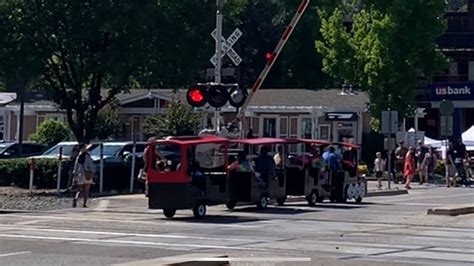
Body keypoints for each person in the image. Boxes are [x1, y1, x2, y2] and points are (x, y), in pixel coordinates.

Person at [72, 143, 94, 208]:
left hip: (80, 174)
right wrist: (93, 172)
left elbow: (75, 167)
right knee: (86, 190)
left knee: (79, 189)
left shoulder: (78, 157)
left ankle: (75, 199)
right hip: (87, 174)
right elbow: (91, 166)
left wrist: (75, 175)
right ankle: (84, 203)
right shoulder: (88, 156)